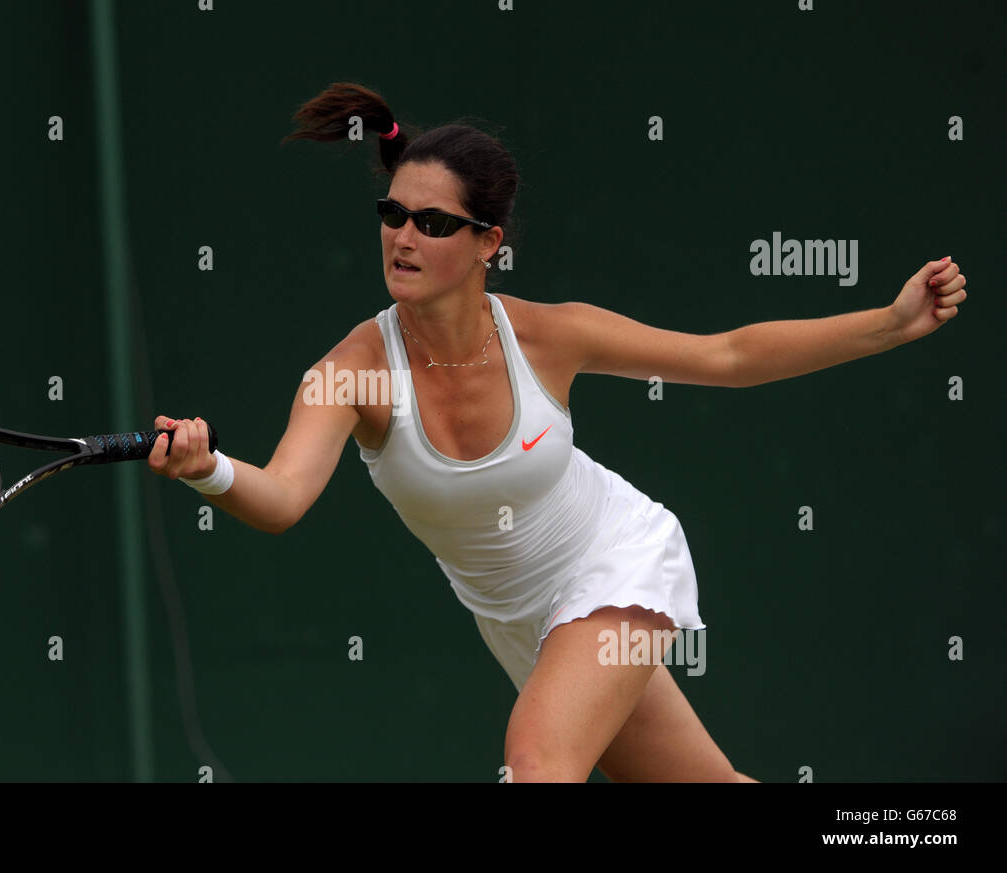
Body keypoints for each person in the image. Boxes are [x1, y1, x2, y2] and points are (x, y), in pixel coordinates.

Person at [143, 82, 967, 782]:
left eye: (432, 223)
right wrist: (210, 468)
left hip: (614, 558)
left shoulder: (549, 335)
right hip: (518, 620)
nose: (402, 236)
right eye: (392, 213)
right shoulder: (352, 372)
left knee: (536, 763)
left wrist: (890, 325)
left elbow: (727, 354)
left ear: (486, 245)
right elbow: (283, 497)